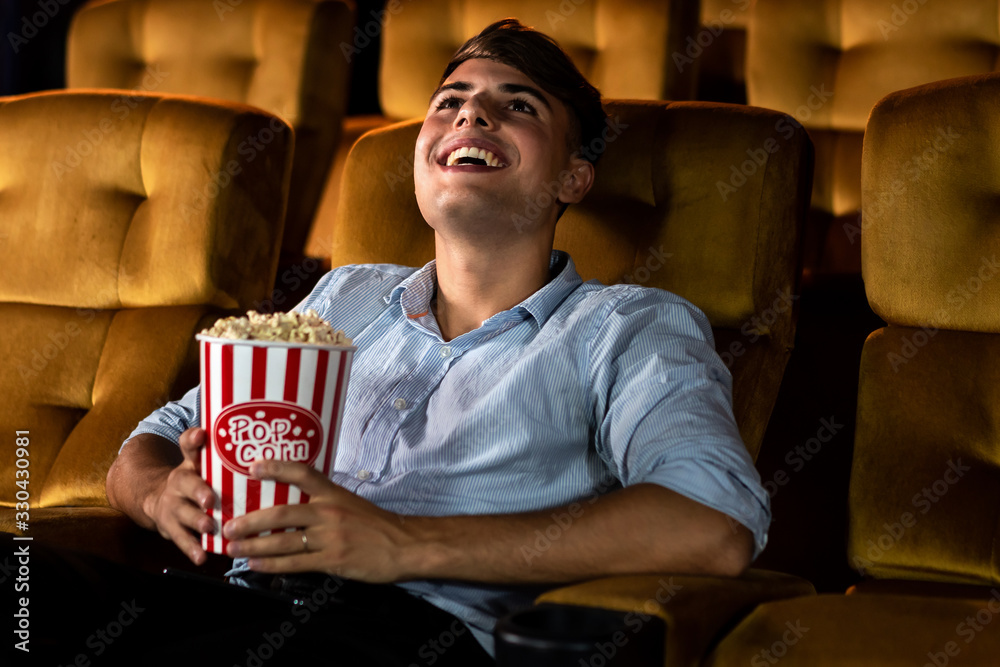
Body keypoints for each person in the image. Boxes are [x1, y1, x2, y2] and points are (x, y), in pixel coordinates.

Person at [104, 18, 770, 665]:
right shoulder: (345, 295)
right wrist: (162, 492)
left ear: (573, 177)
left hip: (409, 631)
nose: (471, 115)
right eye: (450, 101)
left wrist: (401, 542)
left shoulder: (626, 326)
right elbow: (155, 437)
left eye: (518, 106)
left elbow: (712, 523)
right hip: (231, 595)